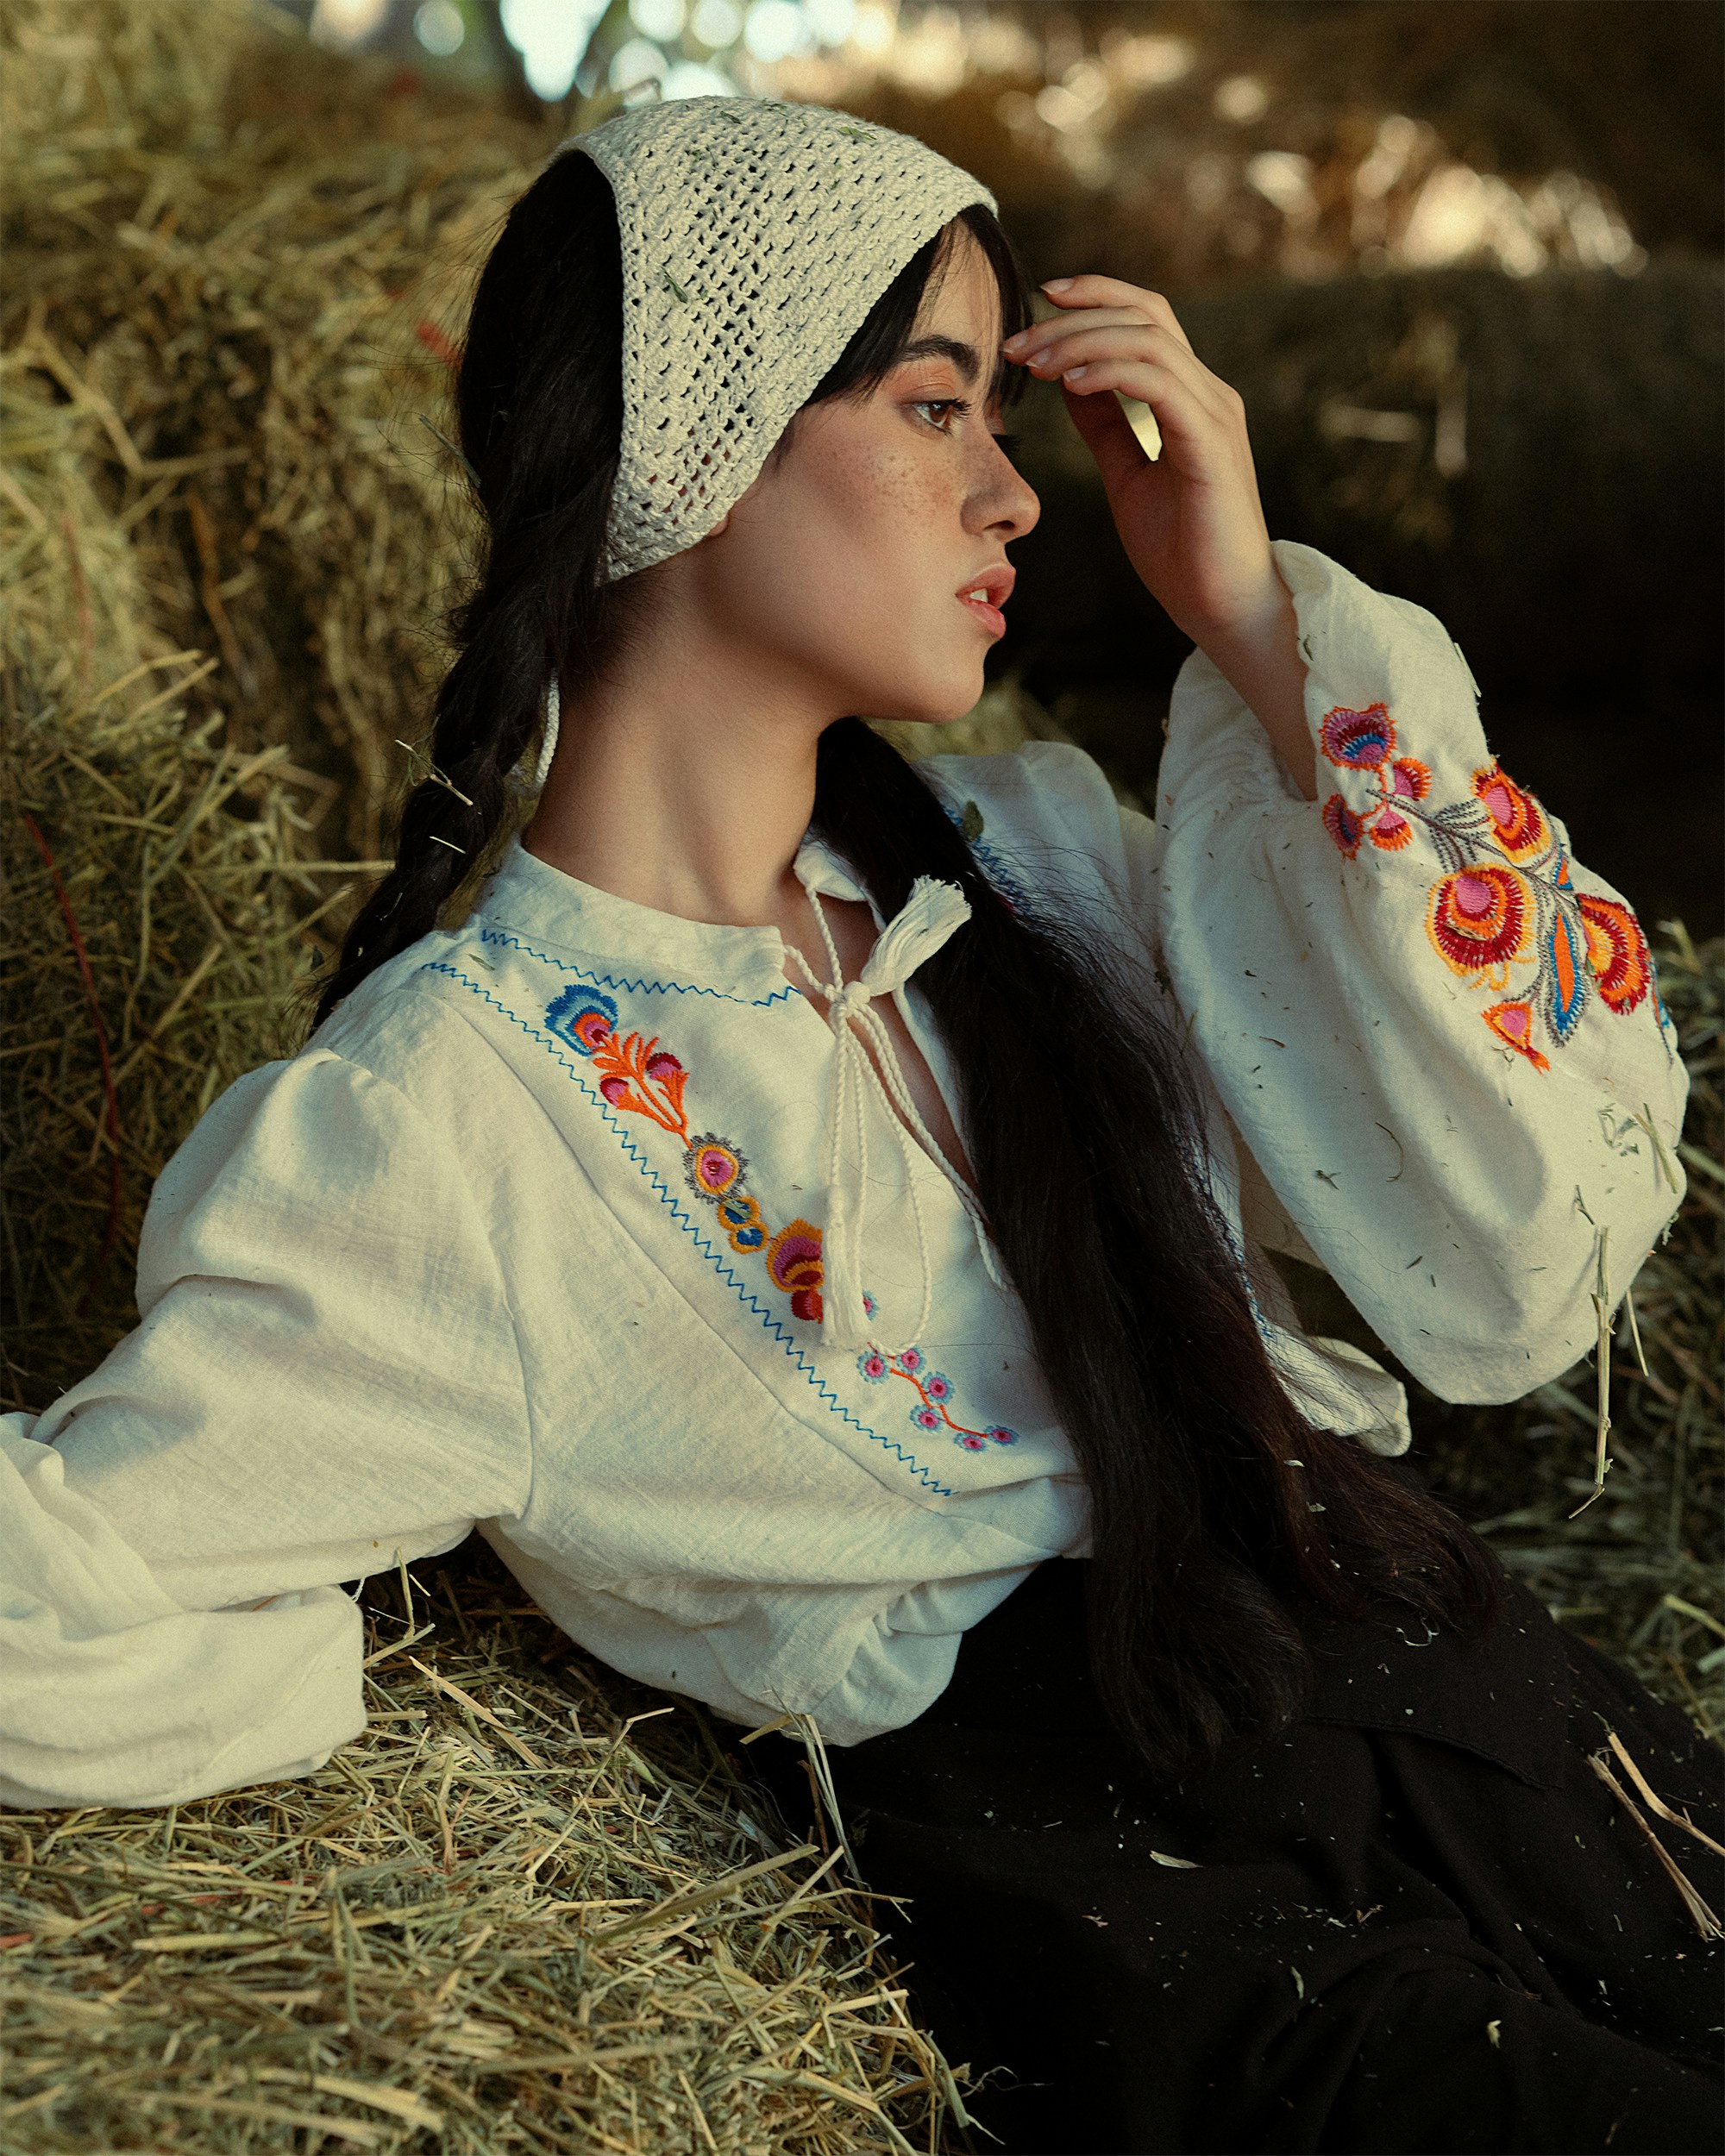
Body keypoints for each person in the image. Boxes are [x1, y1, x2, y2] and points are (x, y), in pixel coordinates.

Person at [3, 97, 1716, 2154]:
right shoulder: (447, 1124)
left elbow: (1529, 1203)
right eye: (936, 409)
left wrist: (1261, 628)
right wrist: (325, 1675)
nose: (1013, 495)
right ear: (696, 439)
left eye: (999, 412)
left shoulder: (1047, 871)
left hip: (1492, 1736)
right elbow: (77, 1568)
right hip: (1188, 1935)